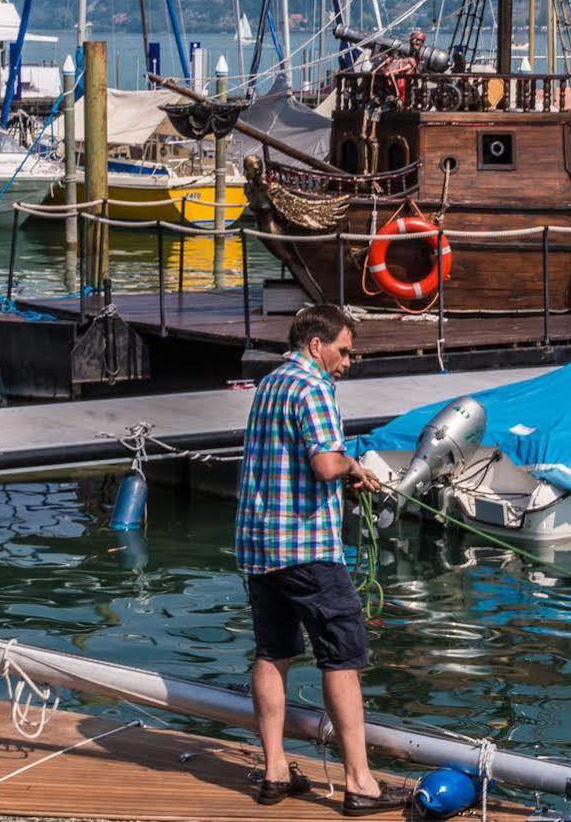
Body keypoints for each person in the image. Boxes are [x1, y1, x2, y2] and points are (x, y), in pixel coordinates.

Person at [234, 304, 410, 815]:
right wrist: (353, 464)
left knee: (272, 652)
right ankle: (360, 784)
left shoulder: (269, 384)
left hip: (260, 544)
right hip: (307, 548)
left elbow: (290, 461)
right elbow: (324, 461)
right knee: (343, 656)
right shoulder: (314, 387)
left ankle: (273, 774)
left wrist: (340, 471)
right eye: (345, 350)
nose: (349, 361)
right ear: (317, 345)